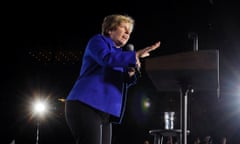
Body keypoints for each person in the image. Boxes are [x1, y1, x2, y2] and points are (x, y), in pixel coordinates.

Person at [65, 14, 161, 144]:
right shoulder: (98, 41)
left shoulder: (120, 55)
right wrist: (135, 55)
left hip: (105, 112)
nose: (128, 33)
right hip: (85, 105)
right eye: (124, 28)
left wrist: (131, 72)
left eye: (130, 31)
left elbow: (123, 80)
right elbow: (106, 59)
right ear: (110, 29)